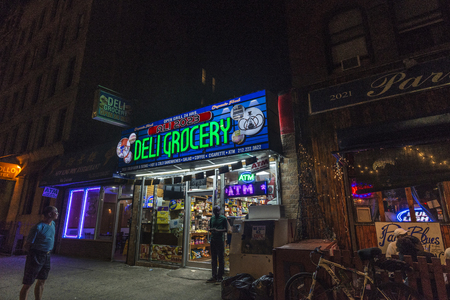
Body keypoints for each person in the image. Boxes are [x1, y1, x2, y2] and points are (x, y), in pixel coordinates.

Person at [20, 206, 58, 300]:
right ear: (49, 214)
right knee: (28, 283)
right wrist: (32, 255)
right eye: (55, 211)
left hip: (47, 255)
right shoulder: (38, 228)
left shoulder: (52, 224)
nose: (57, 213)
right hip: (36, 255)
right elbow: (27, 245)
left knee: (42, 280)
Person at [207, 205, 227, 284]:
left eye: (218, 210)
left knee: (221, 258)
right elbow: (210, 228)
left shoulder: (223, 218)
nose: (216, 212)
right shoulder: (212, 219)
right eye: (215, 211)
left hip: (220, 240)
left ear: (220, 210)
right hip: (213, 240)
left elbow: (226, 229)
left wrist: (217, 230)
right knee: (213, 258)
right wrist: (211, 230)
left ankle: (220, 276)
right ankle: (214, 275)